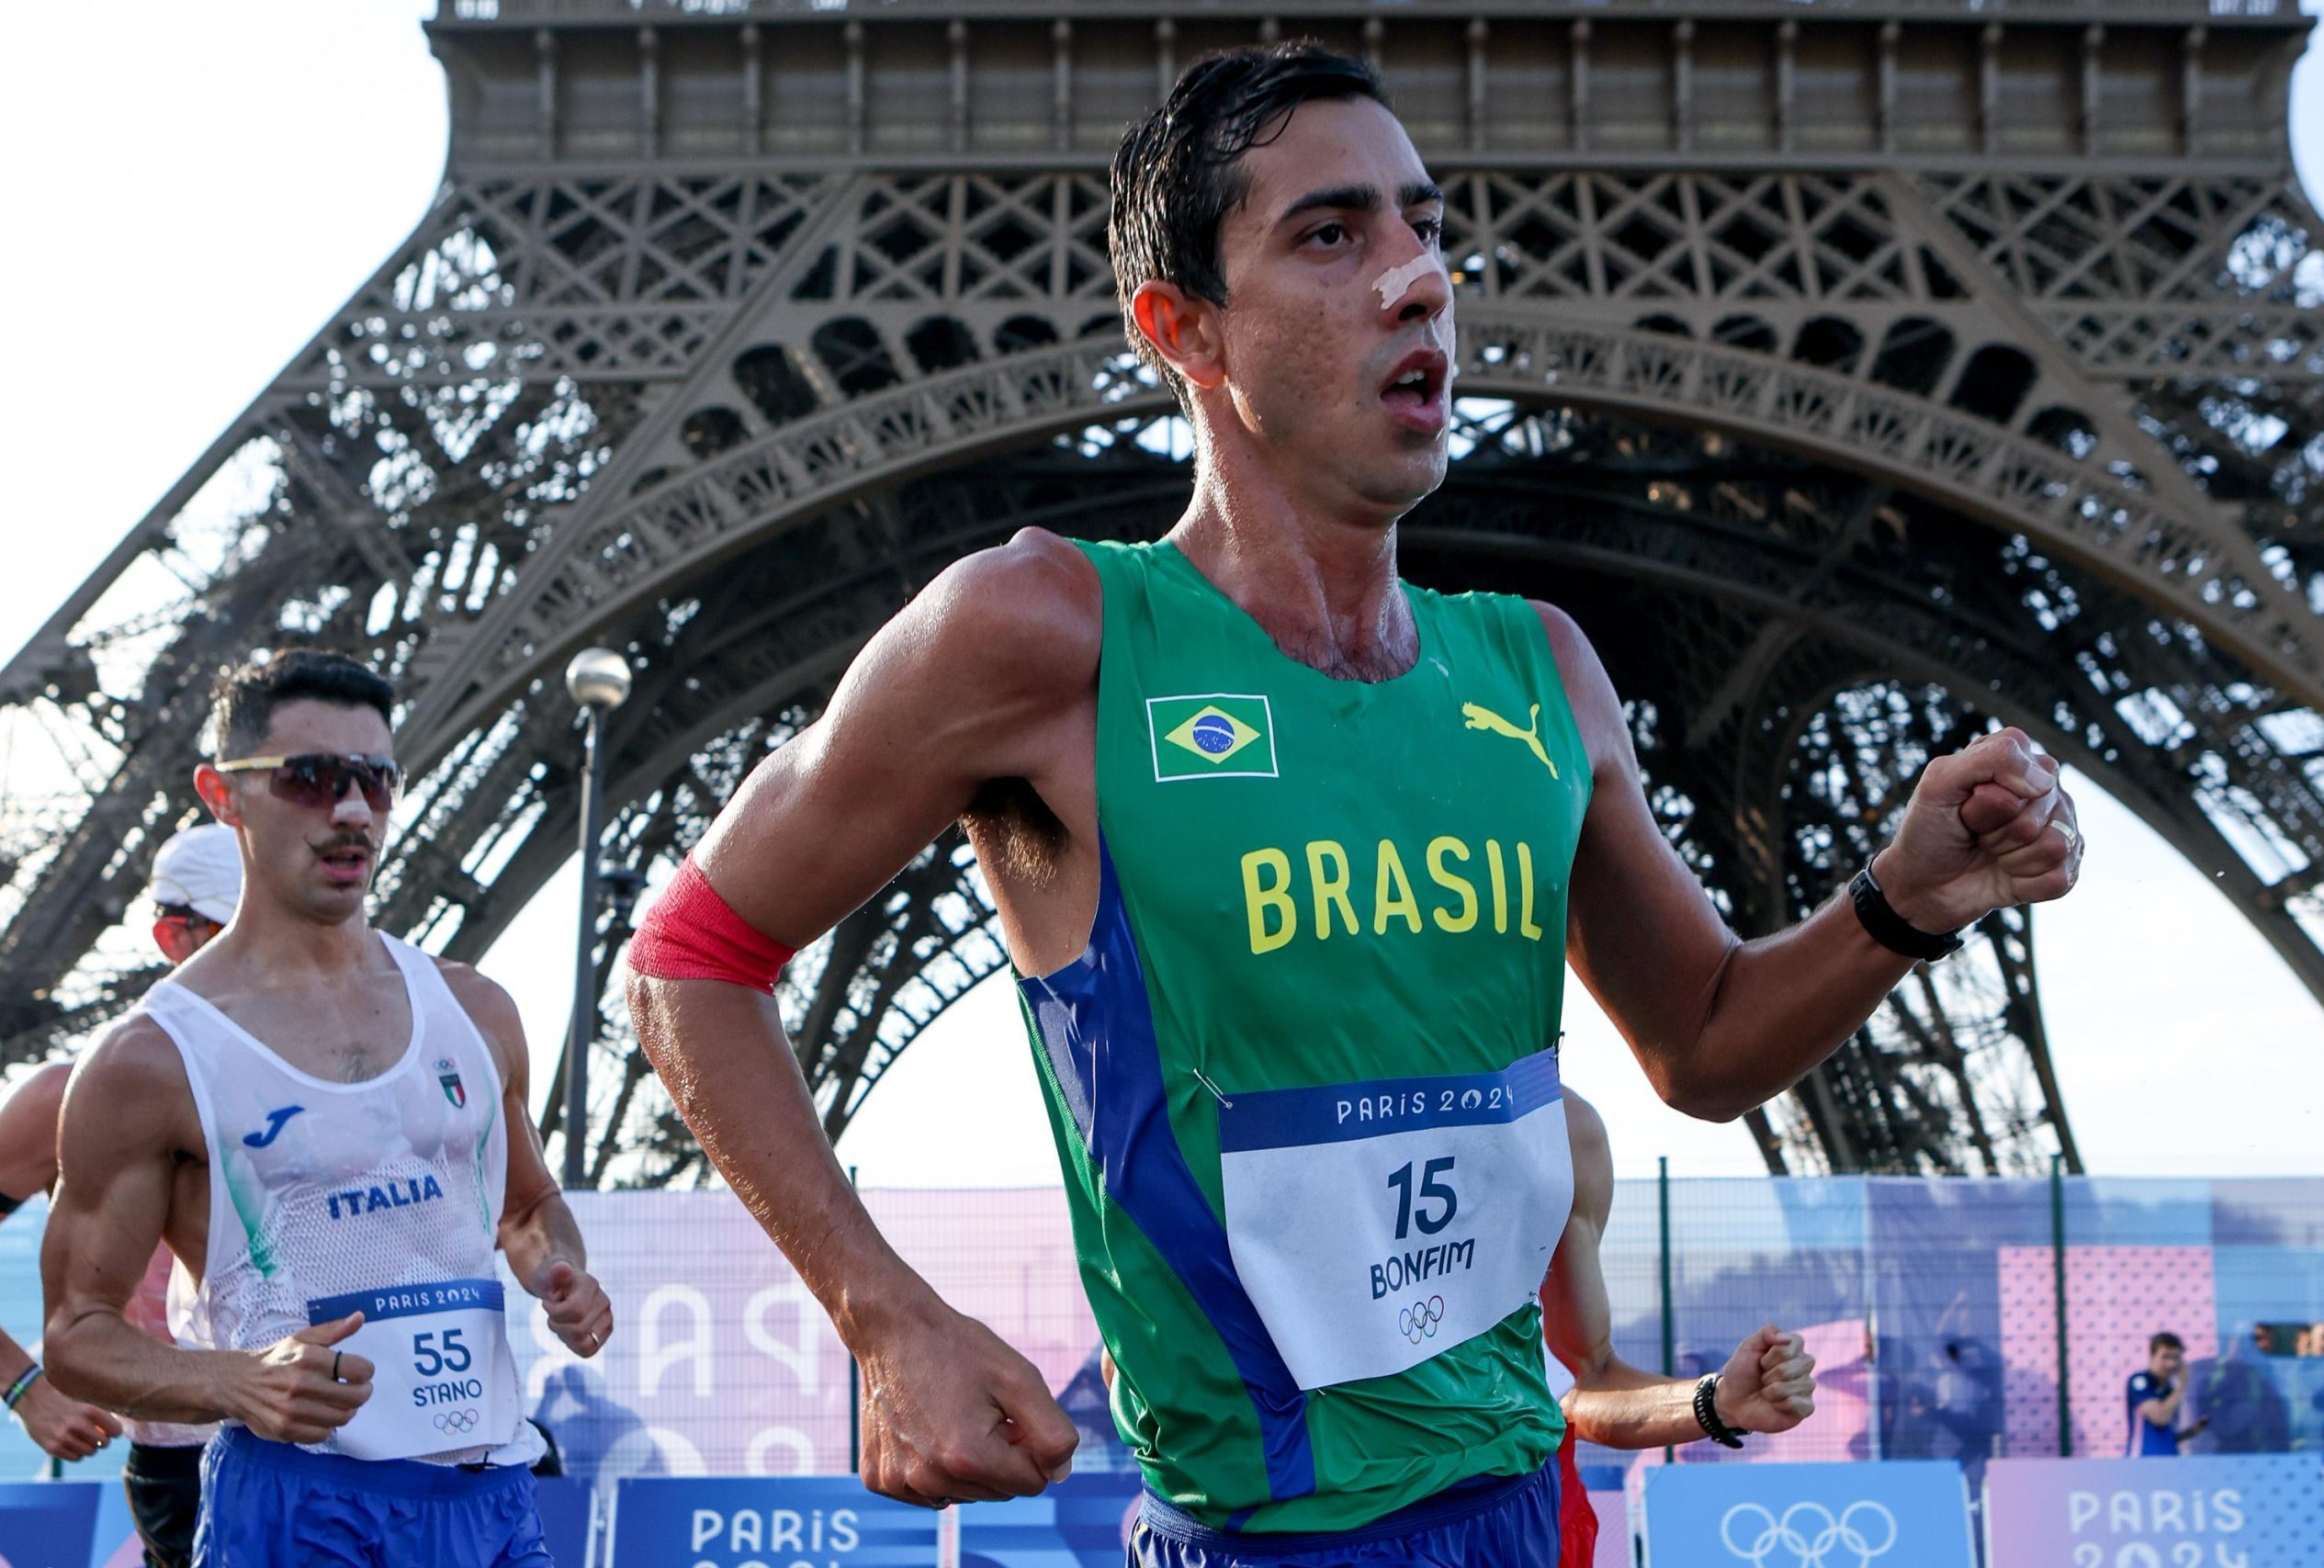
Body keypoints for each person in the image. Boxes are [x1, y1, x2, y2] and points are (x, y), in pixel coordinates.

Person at [624, 42, 2083, 1566]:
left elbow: (1707, 1044)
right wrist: (881, 1312)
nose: (1418, 279)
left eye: (1425, 225)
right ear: (1181, 328)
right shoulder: (1044, 635)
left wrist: (1899, 902)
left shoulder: (1542, 670)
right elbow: (689, 957)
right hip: (1262, 1534)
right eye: (1332, 234)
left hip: (1526, 1509)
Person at [40, 649, 615, 1568]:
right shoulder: (149, 1060)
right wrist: (238, 1382)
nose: (350, 809)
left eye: (375, 782)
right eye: (310, 779)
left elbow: (527, 1208)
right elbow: (76, 1334)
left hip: (493, 1494)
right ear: (223, 794)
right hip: (306, 1508)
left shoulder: (475, 1009)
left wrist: (559, 1273)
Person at [0, 822, 242, 1566]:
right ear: (175, 934)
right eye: (241, 928)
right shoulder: (66, 1095)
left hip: (344, 1449)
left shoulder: (345, 1072)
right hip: (188, 1460)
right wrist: (24, 1388)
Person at [1540, 1089, 1816, 1564]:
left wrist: (1722, 1400)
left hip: (1534, 1525)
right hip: (1369, 1513)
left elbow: (1580, 1384)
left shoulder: (1563, 1128)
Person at [2128, 1331, 2208, 1456]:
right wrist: (2182, 1385)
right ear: (2152, 1356)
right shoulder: (2140, 1381)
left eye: (2176, 1358)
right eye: (2165, 1357)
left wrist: (2190, 1432)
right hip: (2143, 1460)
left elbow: (2164, 1435)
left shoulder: (2170, 1389)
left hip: (2169, 1460)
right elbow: (2160, 1418)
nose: (2171, 1364)